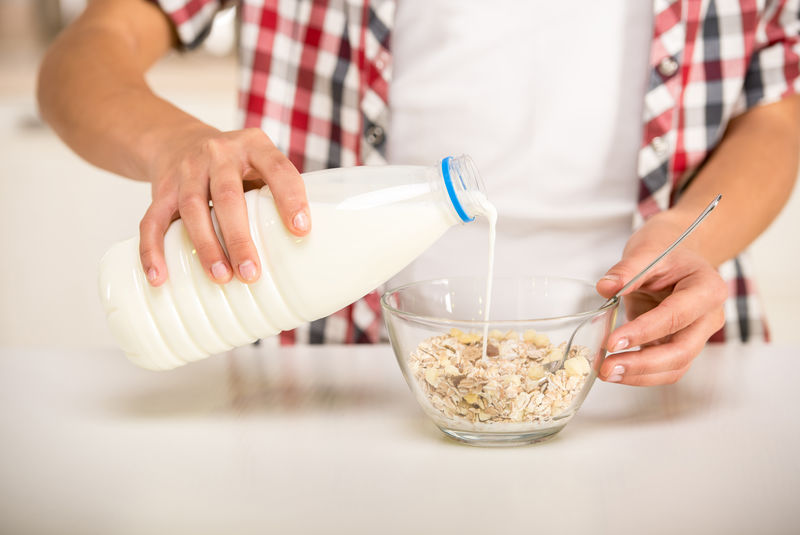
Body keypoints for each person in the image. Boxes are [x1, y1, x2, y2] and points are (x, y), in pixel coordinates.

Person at [37, 0, 800, 386]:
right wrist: (171, 142)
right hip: (341, 376)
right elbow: (87, 52)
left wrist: (686, 240)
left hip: (655, 372)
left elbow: (778, 115)